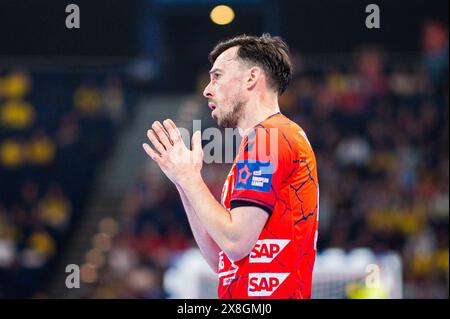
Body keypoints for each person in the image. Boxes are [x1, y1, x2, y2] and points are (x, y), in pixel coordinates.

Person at [143, 34, 319, 299]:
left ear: (251, 78)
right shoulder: (271, 138)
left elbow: (235, 242)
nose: (207, 89)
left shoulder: (270, 136)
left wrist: (191, 179)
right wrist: (182, 181)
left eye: (217, 76)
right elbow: (221, 258)